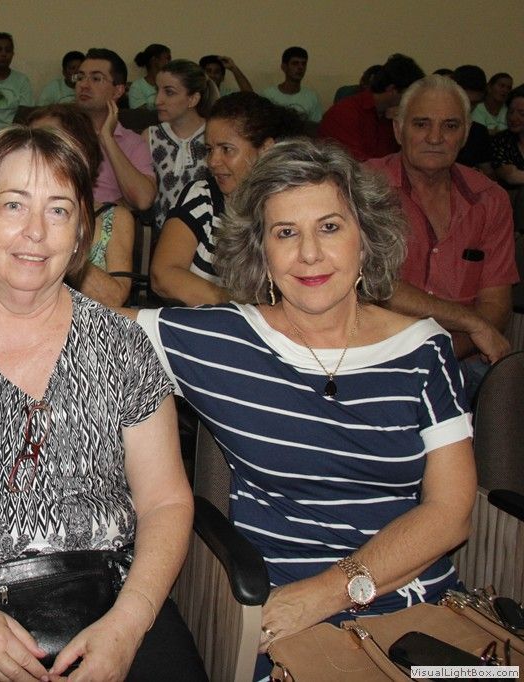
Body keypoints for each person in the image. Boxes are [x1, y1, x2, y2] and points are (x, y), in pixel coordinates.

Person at [0, 124, 207, 681]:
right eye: (14, 205)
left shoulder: (122, 345)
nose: (36, 232)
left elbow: (165, 501)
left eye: (58, 210)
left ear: (80, 235)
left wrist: (128, 622)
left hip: (114, 598)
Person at [136, 138, 475, 681]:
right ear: (261, 252)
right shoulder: (219, 341)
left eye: (330, 227)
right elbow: (71, 324)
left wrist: (328, 592)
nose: (310, 254)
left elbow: (451, 511)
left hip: (421, 611)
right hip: (285, 625)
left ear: (365, 238)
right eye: (285, 233)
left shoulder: (422, 348)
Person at [368, 75, 518, 398]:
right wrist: (470, 322)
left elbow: (496, 306)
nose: (435, 137)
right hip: (377, 359)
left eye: (450, 126)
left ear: (465, 134)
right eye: (421, 124)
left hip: (462, 361)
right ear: (398, 130)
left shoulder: (490, 199)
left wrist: (438, 355)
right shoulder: (363, 188)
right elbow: (375, 286)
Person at [150, 92, 304, 305]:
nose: (213, 161)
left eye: (226, 149)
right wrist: (239, 306)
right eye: (209, 149)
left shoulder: (293, 207)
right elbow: (163, 276)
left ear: (265, 149)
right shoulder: (202, 196)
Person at [26, 104, 135, 306]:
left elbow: (114, 298)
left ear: (80, 152)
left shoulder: (113, 218)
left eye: (48, 142)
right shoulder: (13, 212)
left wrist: (59, 244)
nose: (34, 151)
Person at [75, 48, 156, 210]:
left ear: (118, 90)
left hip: (107, 220)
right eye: (80, 77)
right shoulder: (58, 131)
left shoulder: (133, 142)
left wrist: (107, 139)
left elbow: (143, 200)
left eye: (96, 78)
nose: (83, 85)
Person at [144, 59, 216, 230]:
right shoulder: (151, 136)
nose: (158, 100)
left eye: (169, 92)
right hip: (162, 233)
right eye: (157, 90)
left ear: (193, 99)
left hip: (209, 233)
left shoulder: (214, 134)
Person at [318, 53, 424, 161]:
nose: (413, 100)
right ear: (392, 90)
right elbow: (354, 164)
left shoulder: (390, 117)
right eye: (409, 94)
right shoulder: (344, 113)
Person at [260, 46, 322, 123]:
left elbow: (316, 126)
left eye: (303, 64)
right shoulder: (268, 95)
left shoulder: (312, 97)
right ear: (284, 67)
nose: (300, 67)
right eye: (295, 63)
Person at [492, 87, 524, 188]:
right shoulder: (501, 140)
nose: (513, 118)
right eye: (510, 112)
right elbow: (510, 176)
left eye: (522, 114)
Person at [129, 44, 171, 110]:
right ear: (154, 60)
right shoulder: (137, 86)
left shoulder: (171, 84)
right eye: (167, 58)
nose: (169, 62)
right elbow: (140, 113)